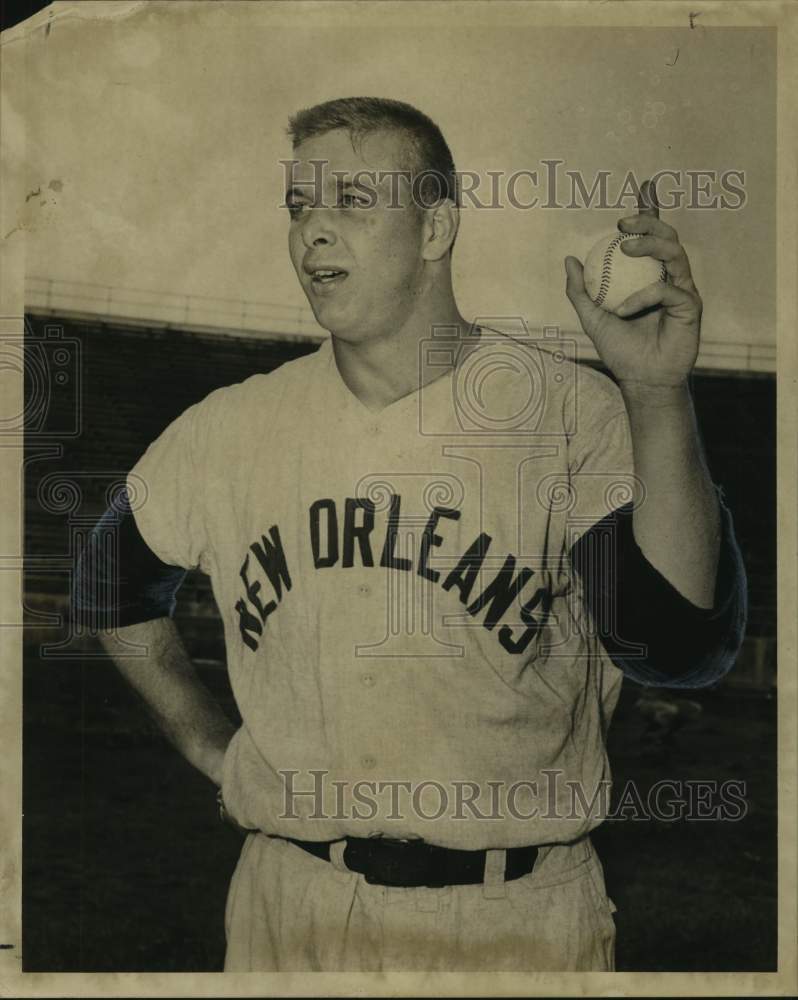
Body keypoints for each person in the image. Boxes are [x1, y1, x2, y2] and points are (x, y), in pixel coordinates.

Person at [77, 96, 746, 972]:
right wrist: (209, 743)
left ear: (437, 228)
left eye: (352, 202)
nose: (314, 232)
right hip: (293, 906)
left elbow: (675, 647)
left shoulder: (566, 412)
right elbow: (106, 582)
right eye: (300, 206)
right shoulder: (229, 426)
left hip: (512, 918)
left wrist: (656, 396)